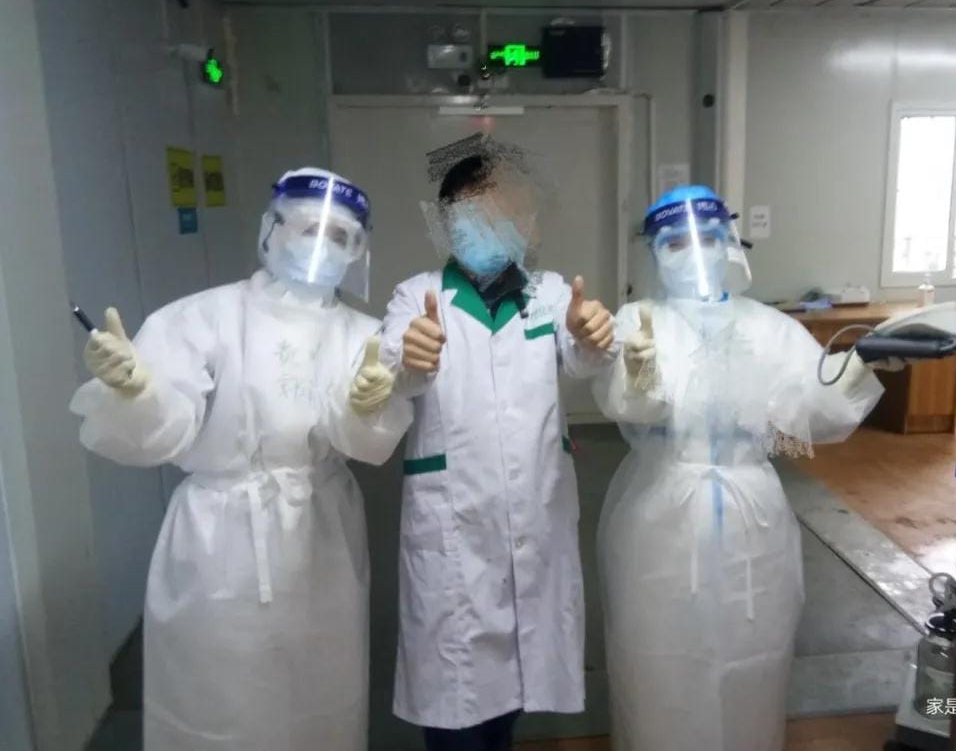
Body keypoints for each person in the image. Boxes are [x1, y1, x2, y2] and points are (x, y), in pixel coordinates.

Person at [70, 167, 411, 751]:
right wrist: (137, 391)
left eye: (339, 236)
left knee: (321, 692)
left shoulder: (364, 334)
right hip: (219, 536)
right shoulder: (201, 317)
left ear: (358, 250)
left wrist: (363, 407)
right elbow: (166, 430)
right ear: (271, 230)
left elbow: (362, 440)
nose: (320, 246)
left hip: (320, 533)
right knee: (218, 696)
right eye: (308, 228)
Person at [592, 185, 886, 751]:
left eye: (706, 238)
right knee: (656, 660)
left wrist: (861, 366)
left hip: (755, 517)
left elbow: (814, 410)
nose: (693, 253)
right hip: (661, 508)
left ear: (730, 243)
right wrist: (642, 376)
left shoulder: (768, 327)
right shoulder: (640, 319)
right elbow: (628, 406)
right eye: (674, 243)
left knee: (755, 657)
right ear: (653, 253)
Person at [379, 151, 616, 751]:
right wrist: (411, 355)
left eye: (505, 213)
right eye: (474, 214)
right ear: (446, 224)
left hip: (534, 517)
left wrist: (592, 333)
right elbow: (392, 367)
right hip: (453, 527)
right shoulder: (417, 296)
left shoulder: (548, 293)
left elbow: (582, 354)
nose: (491, 226)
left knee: (511, 686)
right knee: (455, 698)